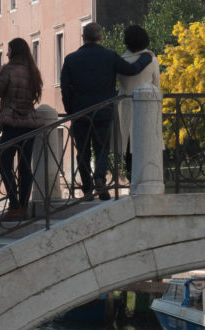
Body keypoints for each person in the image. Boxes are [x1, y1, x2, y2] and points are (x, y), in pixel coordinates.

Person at [60, 22, 153, 200]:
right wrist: (147, 57)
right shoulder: (109, 56)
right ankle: (100, 179)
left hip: (80, 113)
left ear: (83, 38)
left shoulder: (70, 59)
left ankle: (87, 189)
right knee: (102, 148)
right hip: (103, 110)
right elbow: (131, 70)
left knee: (83, 151)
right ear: (101, 37)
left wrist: (71, 110)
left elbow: (65, 89)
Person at [0, 37, 44, 221]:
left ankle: (14, 205)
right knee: (24, 166)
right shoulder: (32, 72)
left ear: (14, 51)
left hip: (12, 122)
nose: (6, 53)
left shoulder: (8, 70)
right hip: (30, 123)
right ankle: (23, 206)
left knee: (4, 163)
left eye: (8, 50)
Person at [117, 25, 161, 178]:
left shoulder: (121, 60)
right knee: (148, 143)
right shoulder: (152, 59)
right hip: (149, 105)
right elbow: (157, 84)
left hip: (126, 106)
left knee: (129, 146)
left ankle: (131, 178)